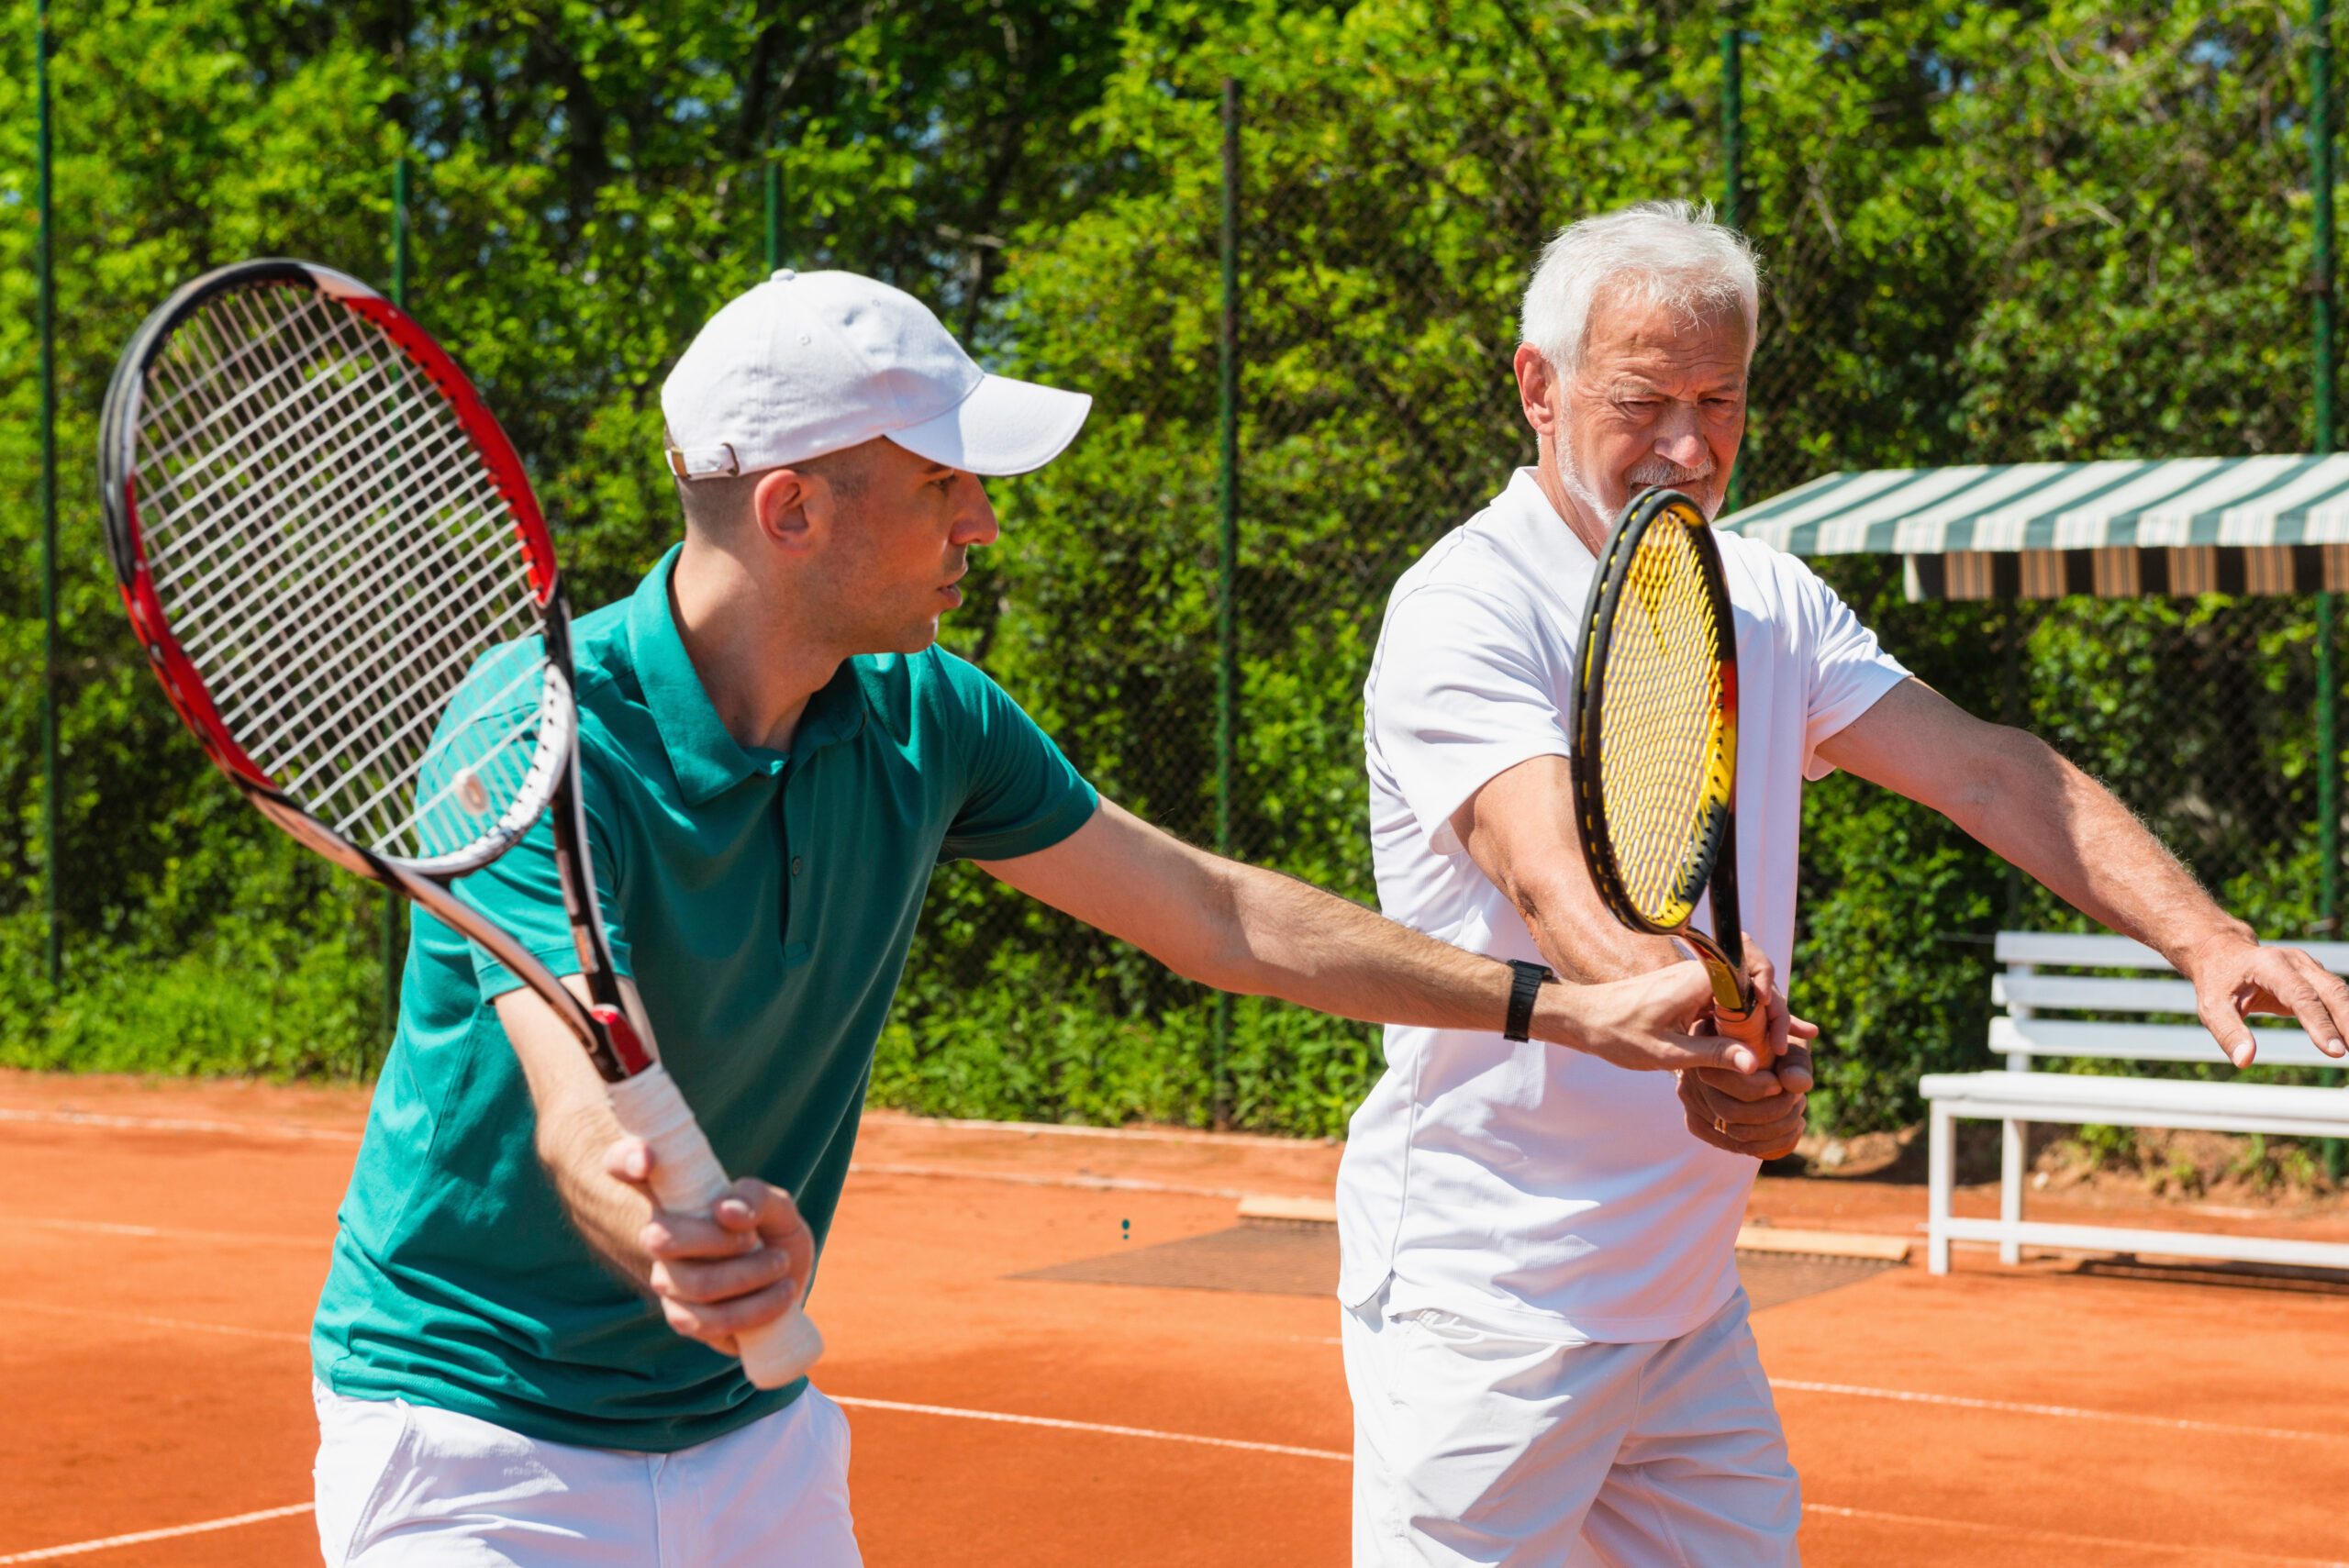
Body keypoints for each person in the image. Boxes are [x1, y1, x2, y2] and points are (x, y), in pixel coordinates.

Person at [305, 266, 1784, 1566]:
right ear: (791, 507)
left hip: (743, 1433)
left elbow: (1212, 913)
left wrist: (1557, 1005)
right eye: (944, 482)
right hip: (473, 1433)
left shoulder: (925, 715)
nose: (986, 522)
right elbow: (574, 1111)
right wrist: (664, 1230)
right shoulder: (537, 734)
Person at [1337, 199, 2349, 1567]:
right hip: (1491, 1303)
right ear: (1538, 385)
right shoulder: (1466, 606)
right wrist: (1703, 1029)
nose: (1690, 447)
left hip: (1687, 1303)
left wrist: (2202, 934)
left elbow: (1988, 771)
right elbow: (1555, 882)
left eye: (1721, 399)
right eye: (1644, 400)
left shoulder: (1766, 594)